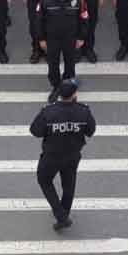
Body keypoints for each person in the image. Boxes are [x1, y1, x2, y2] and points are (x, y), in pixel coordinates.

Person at [29, 78, 96, 232]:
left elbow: (35, 131)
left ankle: (60, 215)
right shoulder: (83, 111)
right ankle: (63, 214)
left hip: (51, 156)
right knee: (69, 184)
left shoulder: (48, 111)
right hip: (72, 155)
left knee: (44, 180)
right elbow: (91, 131)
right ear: (74, 95)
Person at [37, 0, 88, 102]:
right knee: (53, 64)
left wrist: (81, 37)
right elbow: (39, 20)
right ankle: (56, 87)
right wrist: (41, 38)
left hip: (70, 38)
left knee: (70, 64)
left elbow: (84, 18)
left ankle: (69, 89)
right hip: (52, 38)